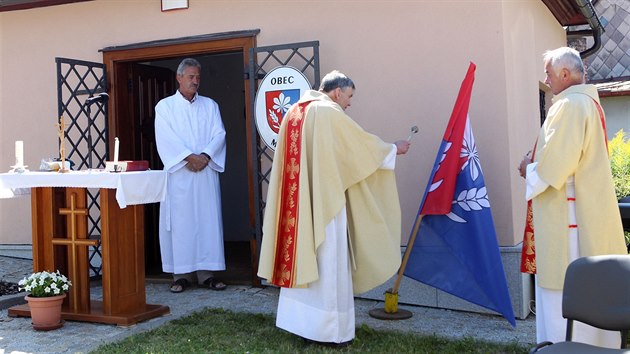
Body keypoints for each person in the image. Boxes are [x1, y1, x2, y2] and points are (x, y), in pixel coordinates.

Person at [258, 70, 411, 345]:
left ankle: (301, 325)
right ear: (337, 91)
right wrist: (392, 149)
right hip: (324, 204)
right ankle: (328, 331)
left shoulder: (293, 113)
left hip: (297, 207)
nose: (350, 103)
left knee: (304, 257)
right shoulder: (329, 113)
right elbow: (358, 147)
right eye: (350, 96)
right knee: (328, 263)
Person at [518, 47, 627, 347]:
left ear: (565, 74)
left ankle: (564, 349)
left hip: (568, 228)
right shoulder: (587, 104)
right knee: (593, 294)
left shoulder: (569, 106)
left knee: (563, 297)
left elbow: (556, 168)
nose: (546, 79)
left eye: (549, 74)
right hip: (582, 218)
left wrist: (528, 168)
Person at [154, 58, 228, 293]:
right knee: (181, 224)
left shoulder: (210, 105)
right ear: (179, 77)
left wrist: (205, 156)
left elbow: (219, 133)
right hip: (180, 176)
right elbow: (166, 138)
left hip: (204, 173)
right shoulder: (164, 107)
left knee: (207, 221)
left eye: (198, 77)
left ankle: (207, 273)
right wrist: (188, 157)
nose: (195, 81)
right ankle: (181, 274)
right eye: (190, 77)